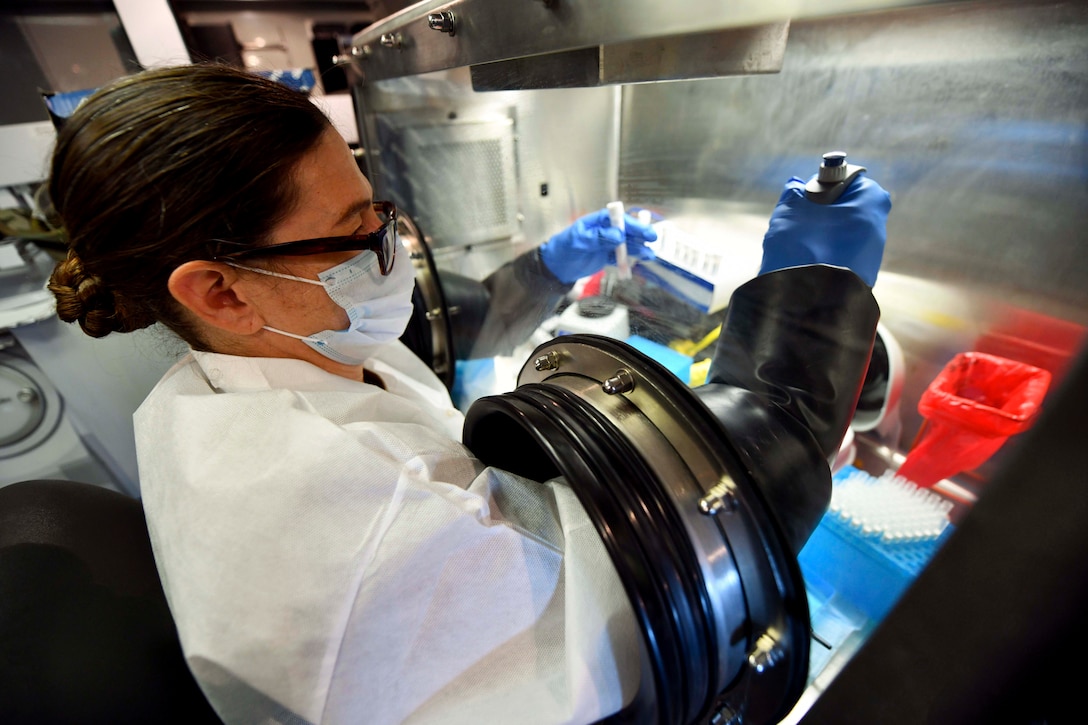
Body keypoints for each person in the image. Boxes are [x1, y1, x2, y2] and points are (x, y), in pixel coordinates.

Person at [44, 63, 890, 724]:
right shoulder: (337, 521)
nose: (387, 247)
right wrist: (813, 309)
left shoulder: (227, 374)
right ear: (221, 291)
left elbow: (419, 338)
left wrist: (550, 266)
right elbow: (660, 588)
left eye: (379, 212)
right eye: (355, 232)